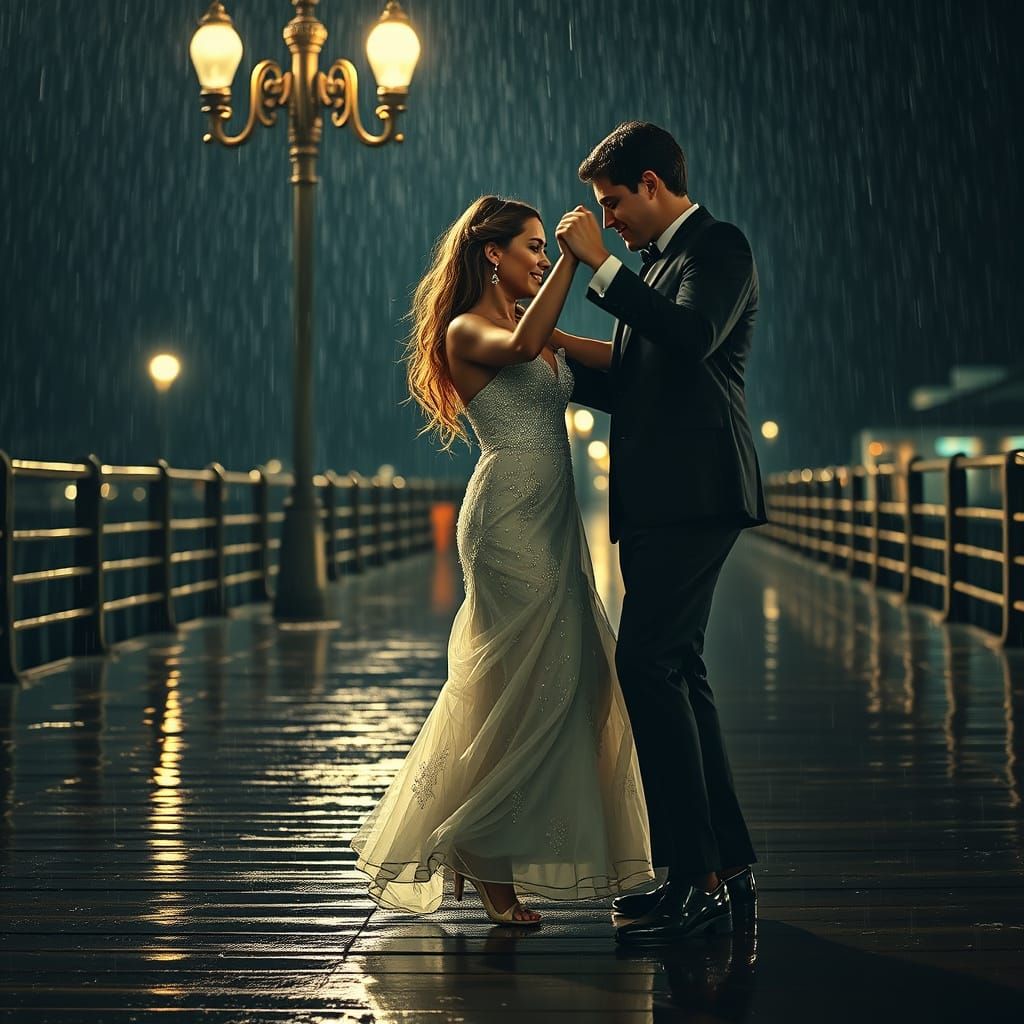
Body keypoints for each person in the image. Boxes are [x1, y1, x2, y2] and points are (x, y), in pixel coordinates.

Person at [349, 195, 655, 926]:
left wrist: (644, 315)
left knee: (568, 678)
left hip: (553, 521)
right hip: (507, 522)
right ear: (493, 253)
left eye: (549, 248)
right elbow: (520, 347)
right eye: (534, 248)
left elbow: (615, 360)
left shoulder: (539, 331)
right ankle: (486, 856)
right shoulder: (470, 329)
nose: (545, 259)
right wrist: (578, 260)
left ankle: (484, 838)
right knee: (516, 683)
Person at [555, 121, 767, 945]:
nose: (607, 221)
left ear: (651, 183)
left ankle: (694, 876)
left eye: (612, 203)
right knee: (677, 668)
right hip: (661, 499)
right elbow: (634, 384)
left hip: (698, 493)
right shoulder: (655, 268)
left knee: (647, 664)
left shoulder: (719, 248)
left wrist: (597, 267)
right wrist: (545, 354)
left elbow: (689, 340)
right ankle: (723, 863)